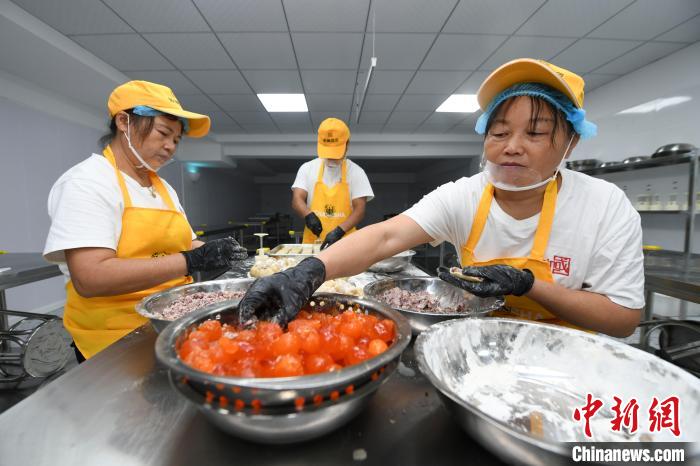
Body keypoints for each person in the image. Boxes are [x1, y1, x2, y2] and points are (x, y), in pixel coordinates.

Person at [240, 59, 644, 337]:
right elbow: (384, 238)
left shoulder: (606, 206)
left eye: (535, 133)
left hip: (569, 361)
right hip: (479, 345)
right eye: (499, 133)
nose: (512, 147)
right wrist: (306, 272)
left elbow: (623, 319)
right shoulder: (464, 195)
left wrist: (528, 285)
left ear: (570, 142)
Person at [43, 81, 247, 360]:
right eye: (163, 133)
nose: (170, 146)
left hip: (168, 321)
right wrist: (191, 260)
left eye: (176, 139)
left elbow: (187, 242)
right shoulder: (87, 182)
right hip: (113, 339)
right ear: (124, 122)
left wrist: (228, 256)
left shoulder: (162, 188)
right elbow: (91, 277)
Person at [291, 118, 374, 249]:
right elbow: (297, 199)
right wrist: (308, 215)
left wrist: (339, 230)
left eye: (336, 152)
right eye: (327, 152)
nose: (331, 158)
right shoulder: (307, 168)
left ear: (347, 144)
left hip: (346, 243)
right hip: (313, 243)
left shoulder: (357, 172)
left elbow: (360, 210)